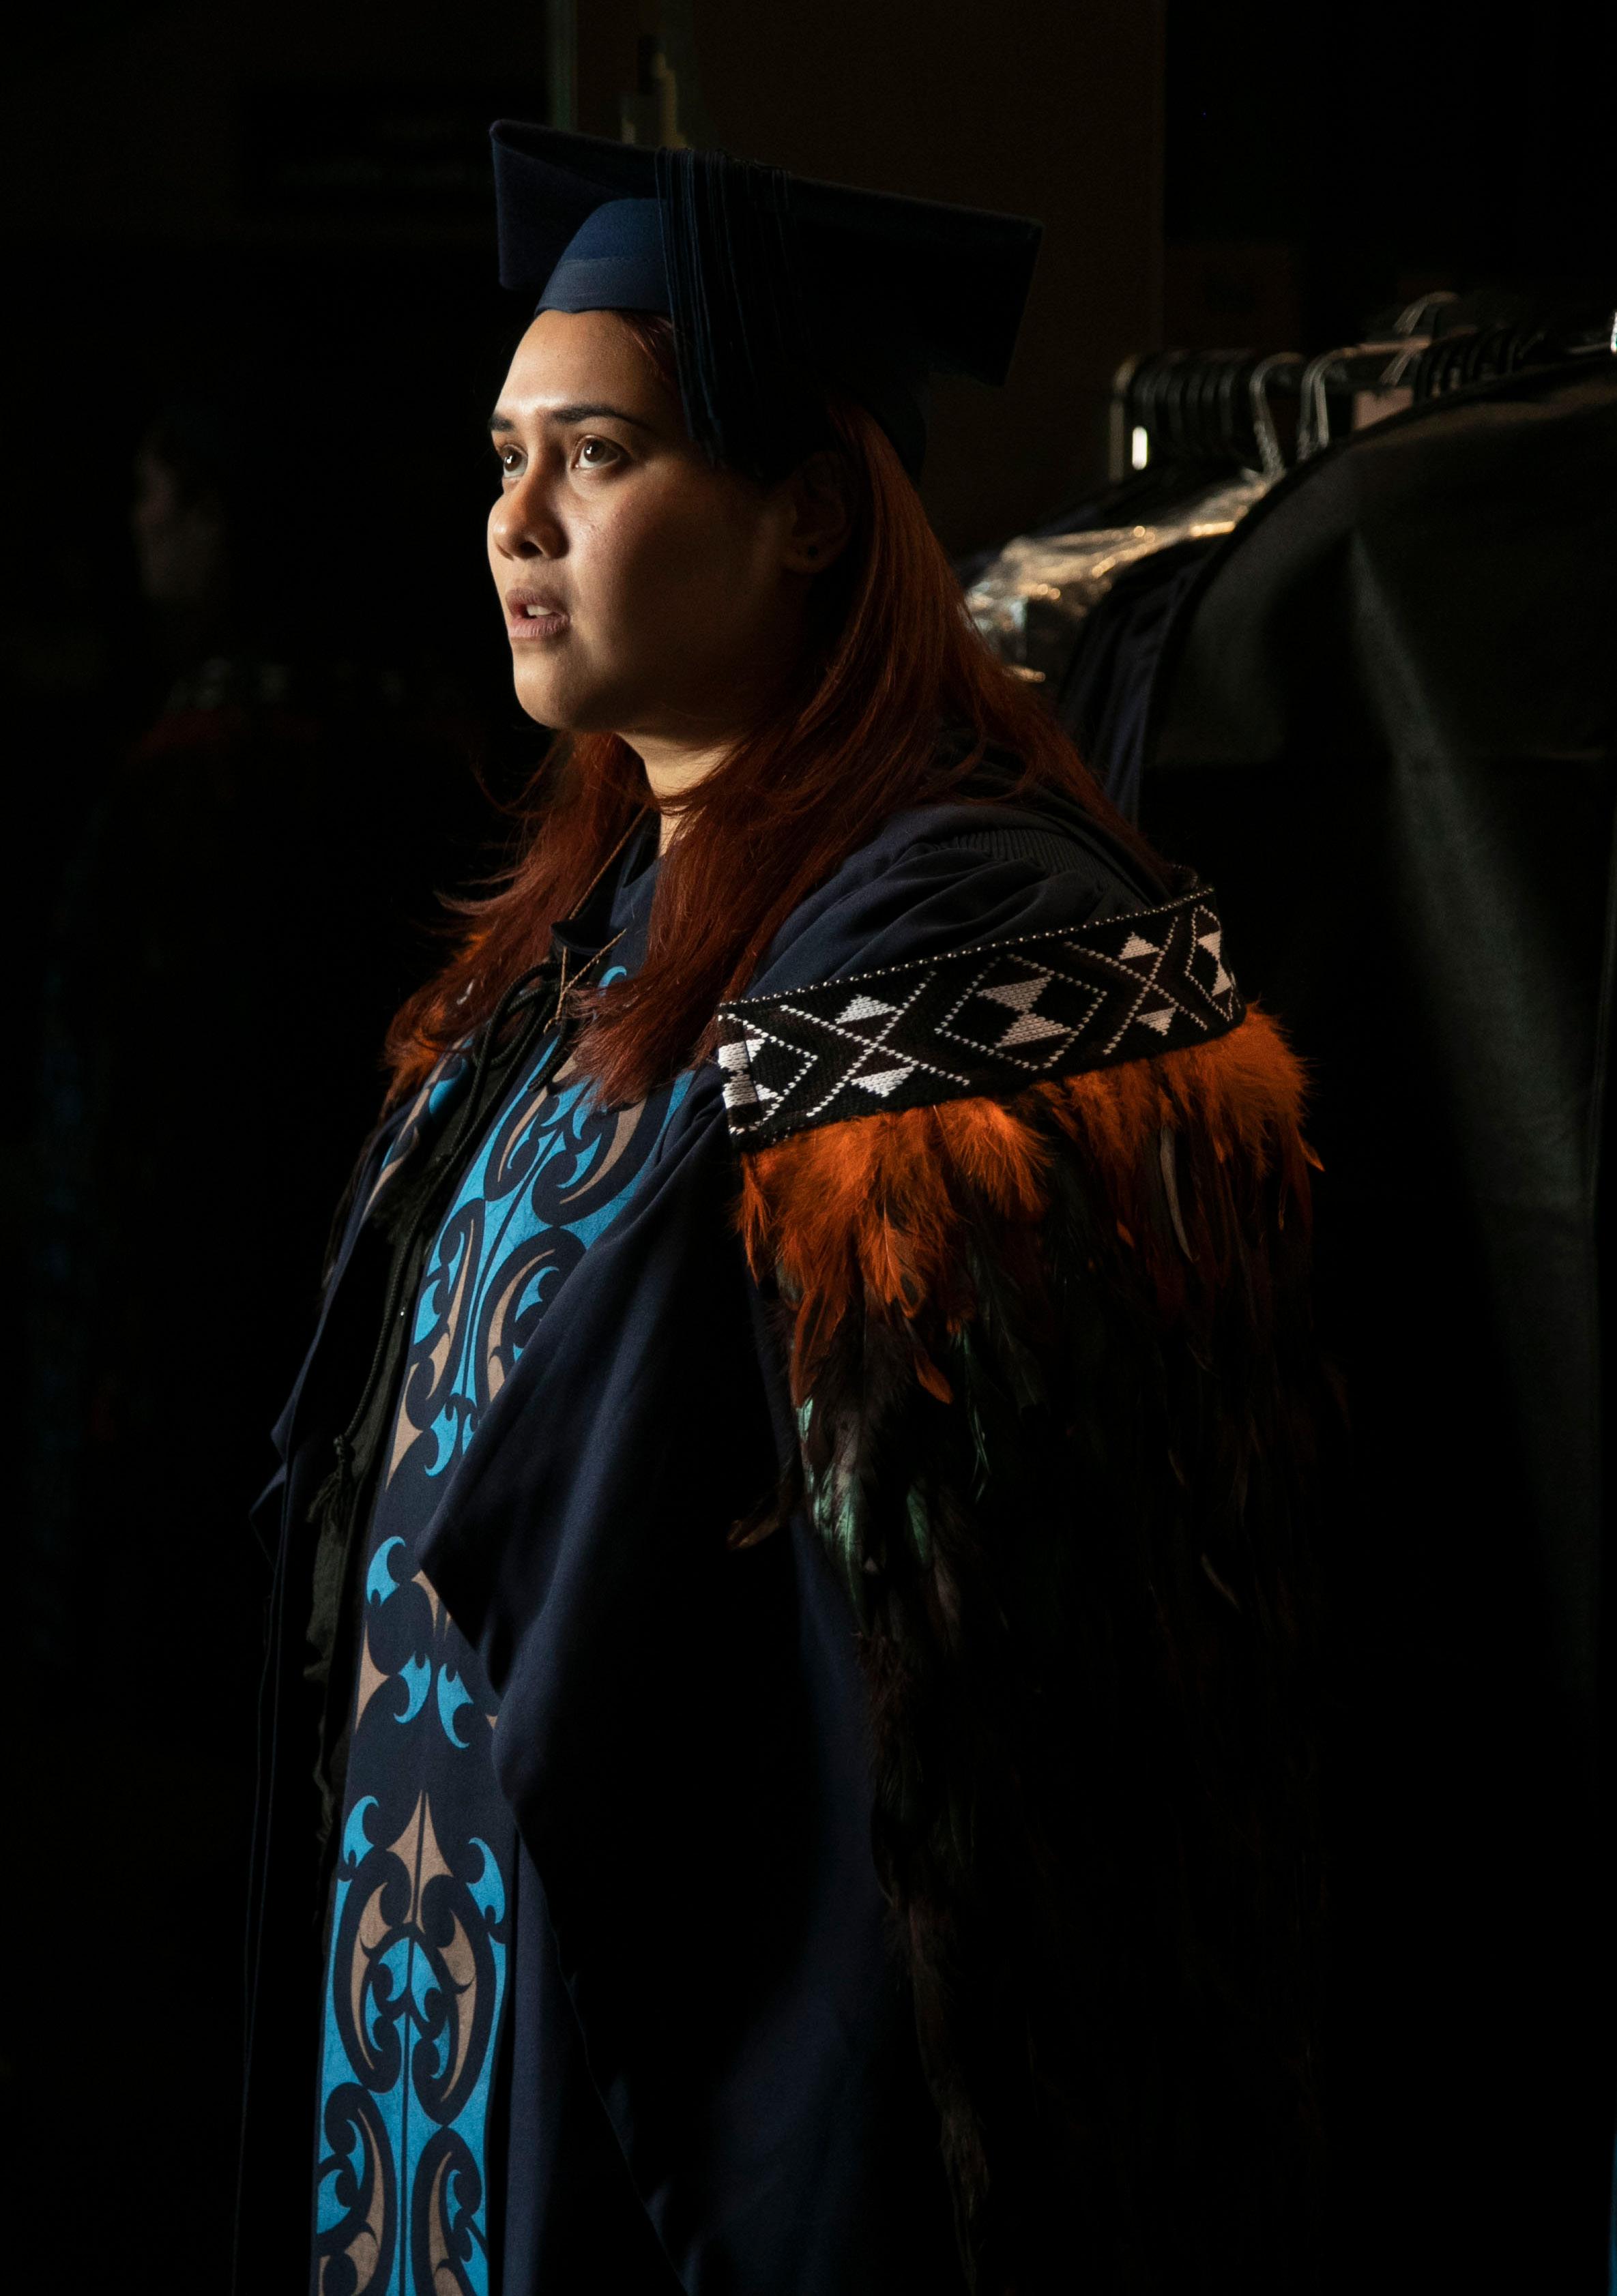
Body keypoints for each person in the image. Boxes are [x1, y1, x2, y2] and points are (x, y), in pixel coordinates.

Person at [238, 126, 1324, 2296]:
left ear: (812, 512)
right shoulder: (581, 929)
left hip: (676, 2016)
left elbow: (967, 1672)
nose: (517, 523)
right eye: (506, 459)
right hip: (441, 1935)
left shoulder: (972, 934)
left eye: (600, 456)